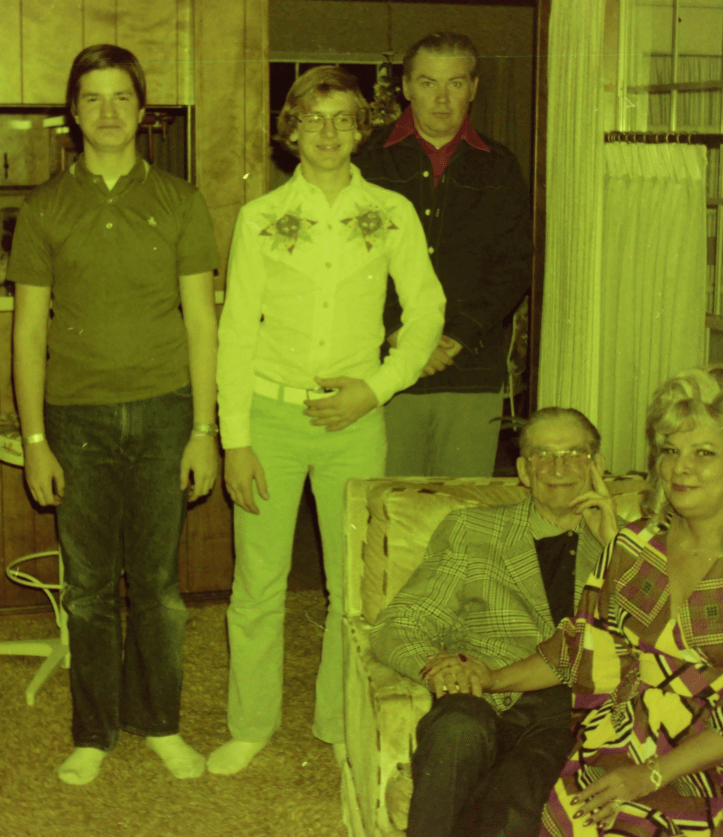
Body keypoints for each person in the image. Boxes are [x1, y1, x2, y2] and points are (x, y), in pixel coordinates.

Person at [210, 65, 446, 776]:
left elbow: (426, 311)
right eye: (313, 118)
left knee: (354, 588)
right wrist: (235, 440)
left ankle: (340, 721)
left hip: (354, 424)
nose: (327, 132)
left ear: (361, 129)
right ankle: (250, 724)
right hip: (268, 419)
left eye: (343, 118)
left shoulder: (391, 212)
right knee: (258, 582)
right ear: (290, 129)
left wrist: (375, 388)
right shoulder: (259, 218)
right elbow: (235, 332)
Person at [463, 366, 723, 836]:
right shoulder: (634, 546)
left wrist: (648, 777)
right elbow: (582, 650)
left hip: (721, 762)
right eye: (670, 450)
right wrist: (492, 678)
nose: (680, 468)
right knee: (557, 816)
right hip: (624, 741)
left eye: (704, 453)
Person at [7, 44, 220, 785]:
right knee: (90, 588)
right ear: (73, 112)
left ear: (142, 111)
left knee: (158, 587)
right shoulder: (44, 208)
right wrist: (35, 440)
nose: (107, 111)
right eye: (92, 98)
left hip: (166, 414)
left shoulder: (180, 200)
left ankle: (160, 723)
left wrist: (205, 429)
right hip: (75, 420)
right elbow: (28, 332)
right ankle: (93, 732)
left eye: (121, 97)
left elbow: (202, 322)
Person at [371, 408, 620, 836]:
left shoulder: (632, 544)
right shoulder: (474, 529)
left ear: (597, 465)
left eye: (574, 454)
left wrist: (614, 544)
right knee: (455, 729)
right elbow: (401, 622)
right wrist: (439, 667)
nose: (558, 468)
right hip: (484, 695)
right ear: (524, 470)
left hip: (571, 715)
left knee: (514, 799)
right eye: (543, 455)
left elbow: (659, 637)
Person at [355, 32, 534, 479]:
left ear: (473, 88)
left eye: (454, 84)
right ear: (406, 87)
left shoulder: (500, 165)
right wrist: (401, 334)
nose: (441, 99)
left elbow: (513, 267)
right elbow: (351, 260)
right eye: (427, 82)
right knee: (387, 507)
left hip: (469, 371)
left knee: (460, 508)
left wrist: (454, 336)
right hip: (385, 369)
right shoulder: (366, 160)